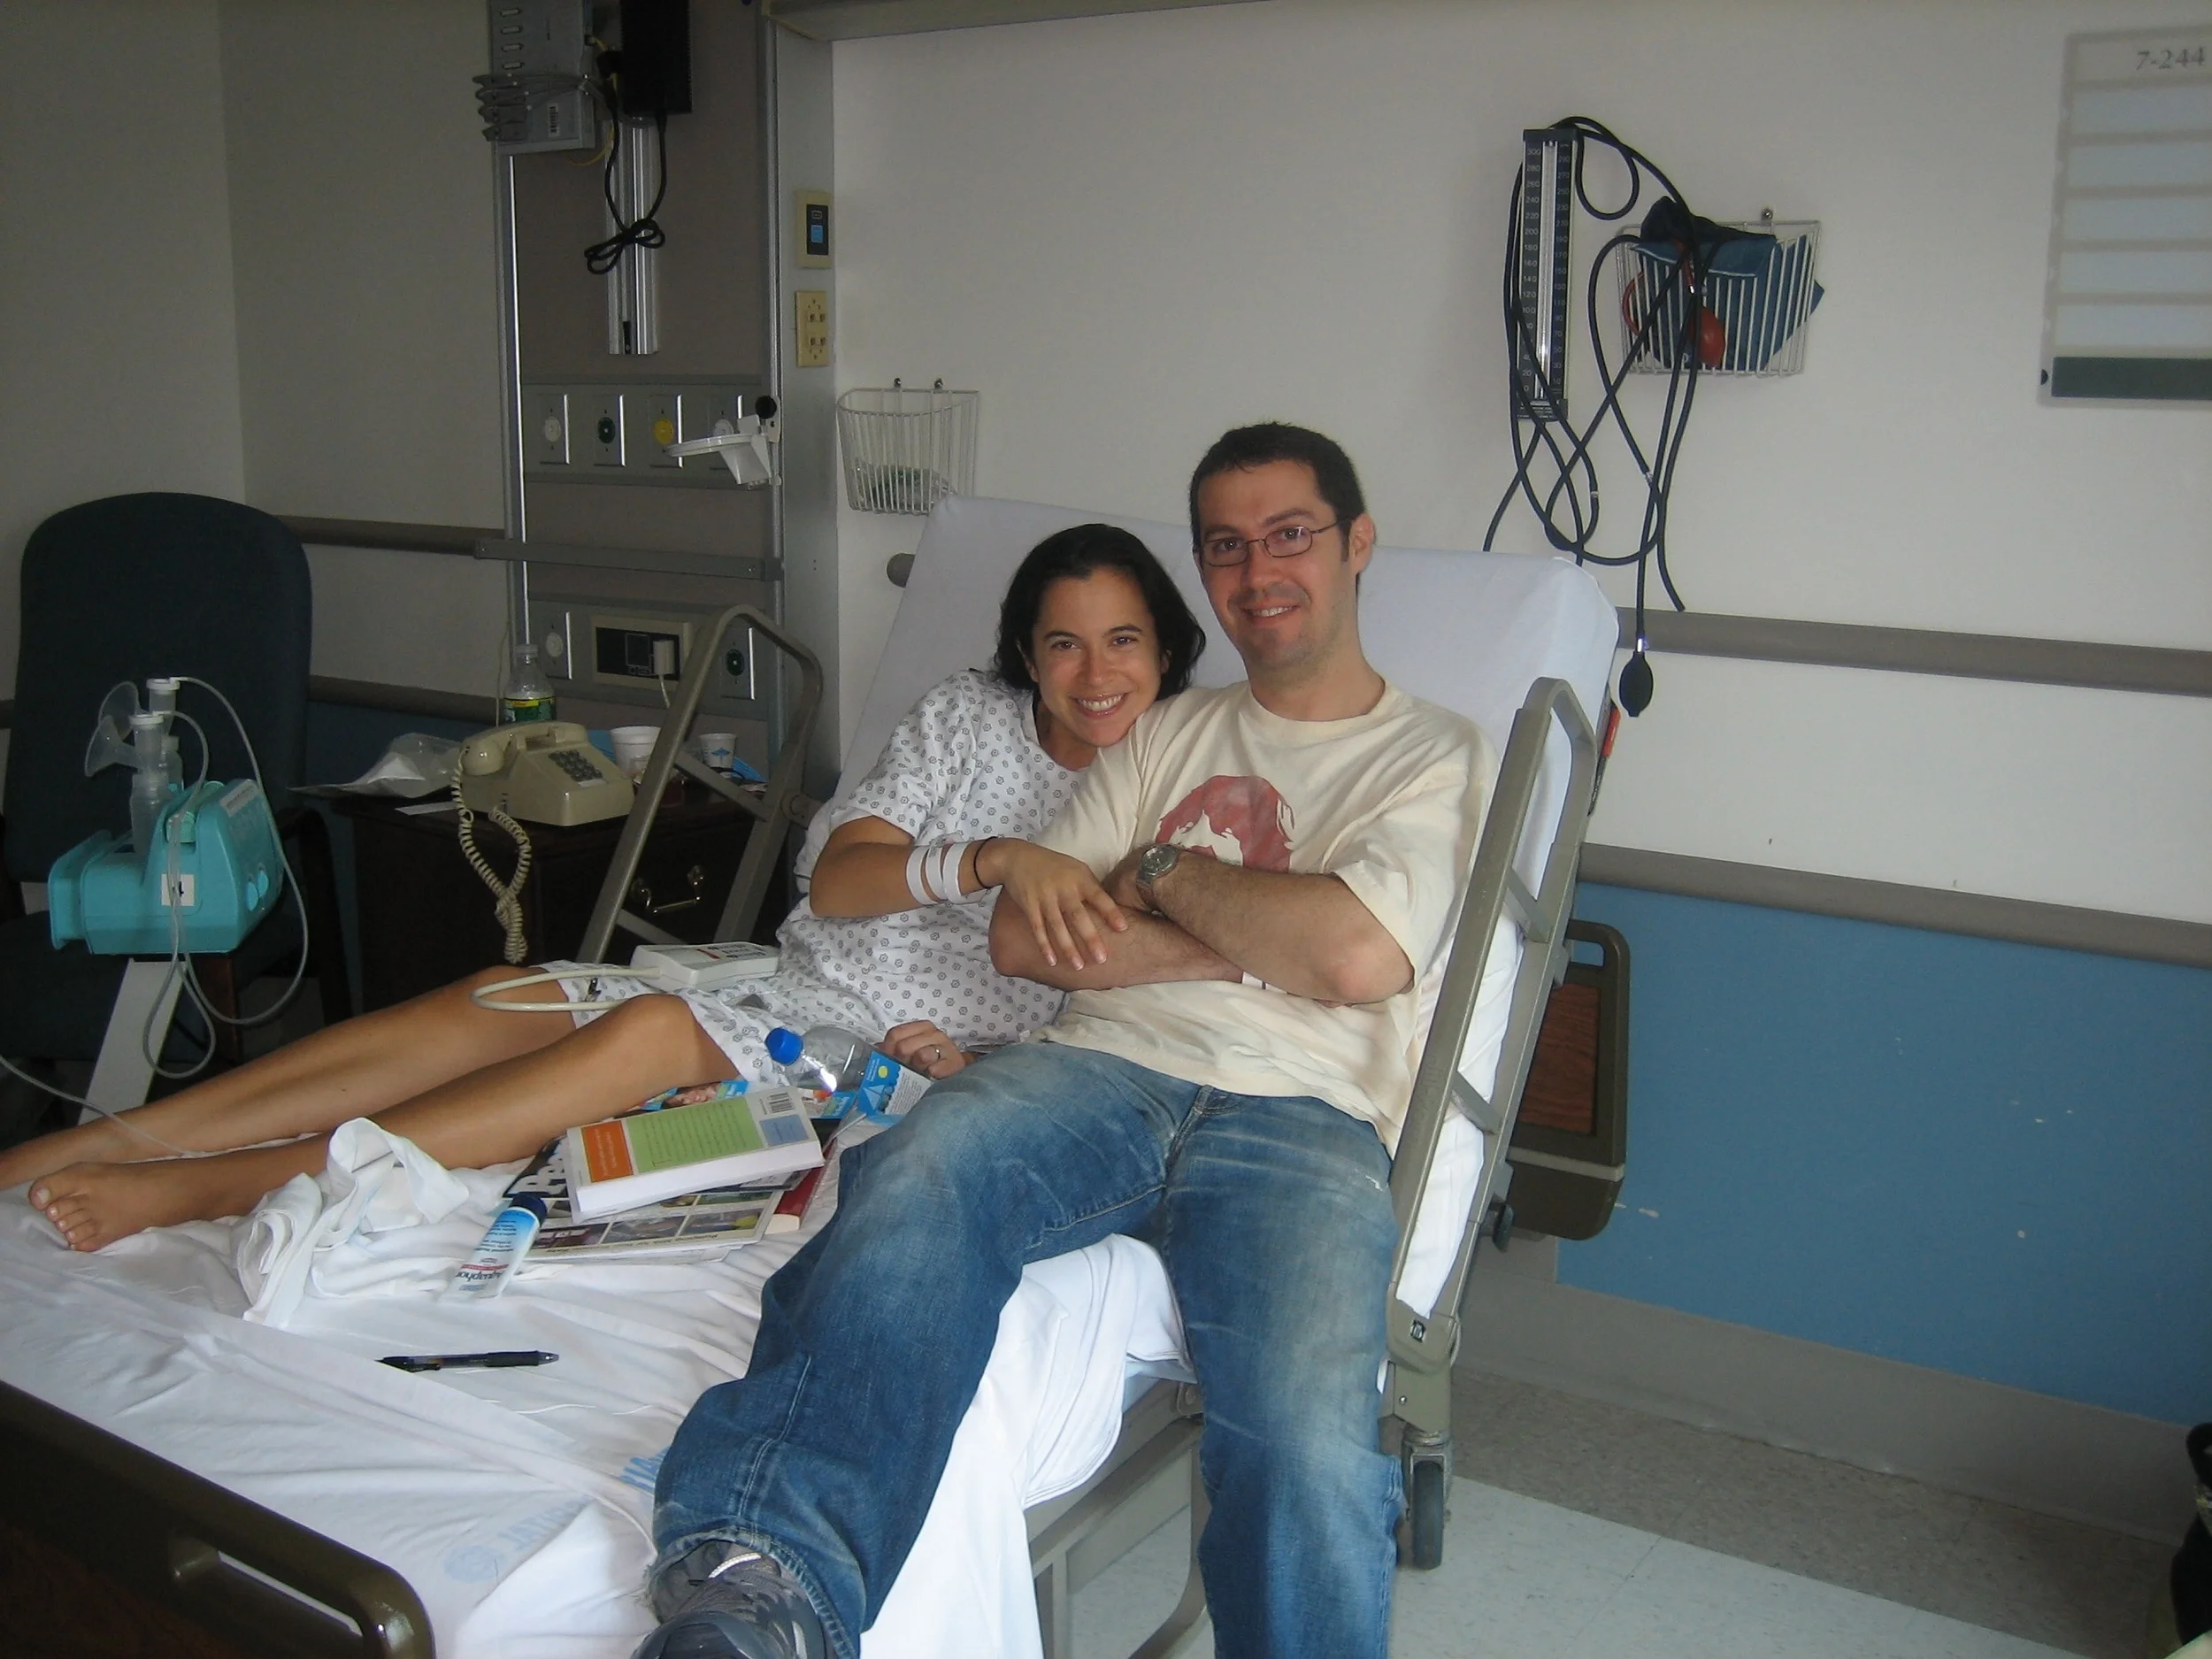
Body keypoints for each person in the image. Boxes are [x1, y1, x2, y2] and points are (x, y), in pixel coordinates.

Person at [634, 424, 1498, 1659]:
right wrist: (1267, 934)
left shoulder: (1438, 752)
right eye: (1226, 546)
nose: (1258, 572)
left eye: (1290, 535)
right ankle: (758, 1584)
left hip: (1306, 1116)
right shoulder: (1164, 736)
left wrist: (1159, 875)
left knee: (1305, 1436)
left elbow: (1358, 958)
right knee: (915, 1177)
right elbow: (1026, 942)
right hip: (1098, 1071)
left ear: (1357, 543)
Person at [1, 524, 1206, 1252]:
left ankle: (209, 1185)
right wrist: (993, 857)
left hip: (877, 1063)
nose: (1094, 673)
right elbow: (834, 879)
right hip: (788, 979)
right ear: (1026, 653)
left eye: (1125, 640)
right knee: (506, 994)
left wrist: (974, 1063)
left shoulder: (1184, 787)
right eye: (1064, 641)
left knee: (647, 1031)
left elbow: (1153, 1008)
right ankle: (122, 1133)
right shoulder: (965, 714)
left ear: (1167, 653)